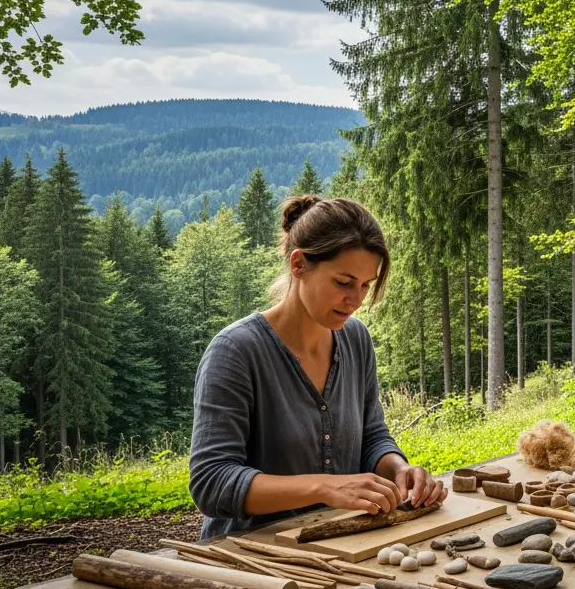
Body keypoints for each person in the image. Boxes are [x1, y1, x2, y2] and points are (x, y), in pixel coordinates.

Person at [188, 195, 447, 539]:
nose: (356, 300)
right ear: (298, 264)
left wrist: (399, 470)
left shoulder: (355, 338)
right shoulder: (236, 351)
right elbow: (211, 482)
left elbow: (371, 436)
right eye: (343, 282)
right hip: (249, 555)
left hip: (341, 544)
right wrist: (325, 487)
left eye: (365, 285)